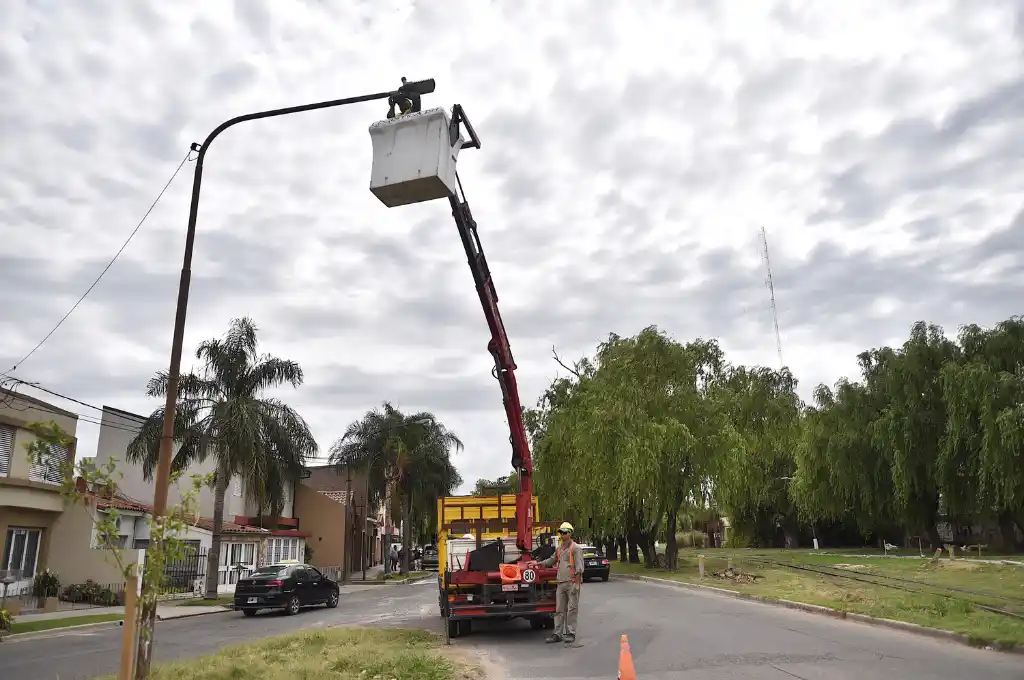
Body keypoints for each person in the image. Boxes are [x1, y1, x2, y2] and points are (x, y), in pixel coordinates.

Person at [532, 521, 584, 644]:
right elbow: (551, 560)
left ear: (570, 533)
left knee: (572, 609)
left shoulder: (575, 548)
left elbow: (579, 568)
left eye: (565, 532)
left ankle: (571, 633)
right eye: (561, 532)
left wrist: (576, 585)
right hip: (560, 583)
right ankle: (557, 634)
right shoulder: (560, 548)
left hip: (571, 583)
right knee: (559, 610)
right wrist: (538, 563)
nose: (562, 535)